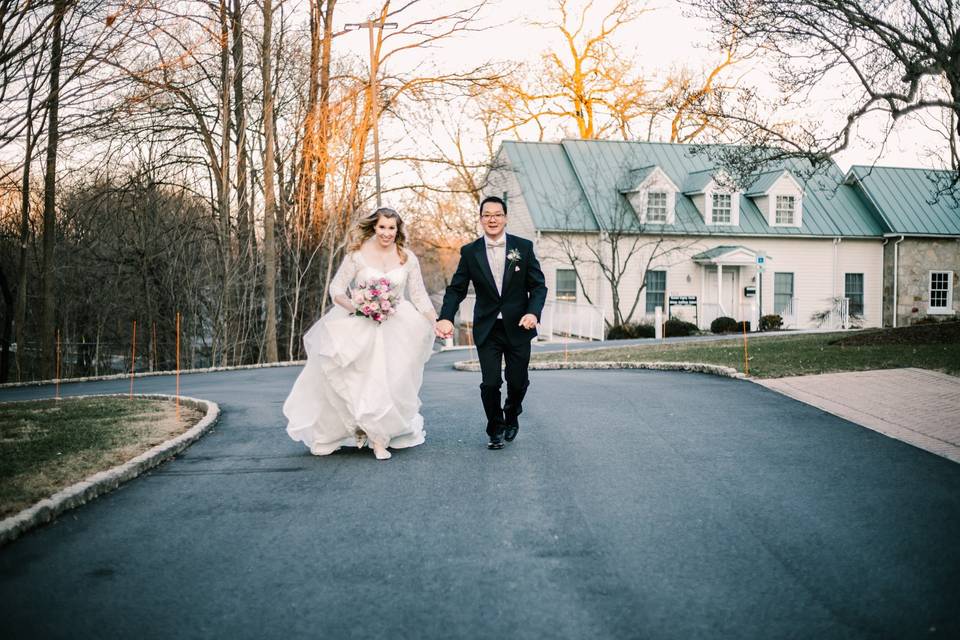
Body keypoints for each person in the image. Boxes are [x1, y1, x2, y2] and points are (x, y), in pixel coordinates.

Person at [283, 208, 437, 460]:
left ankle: (380, 434)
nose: (387, 233)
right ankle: (369, 434)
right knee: (362, 380)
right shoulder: (357, 255)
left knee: (391, 381)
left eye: (391, 228)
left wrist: (435, 320)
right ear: (373, 228)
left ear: (398, 230)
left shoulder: (407, 257)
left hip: (397, 326)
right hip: (361, 324)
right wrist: (360, 306)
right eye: (382, 227)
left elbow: (418, 294)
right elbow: (336, 289)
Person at [435, 195, 548, 450]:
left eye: (497, 214)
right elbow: (456, 289)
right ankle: (495, 428)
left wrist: (533, 313)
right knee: (490, 382)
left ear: (505, 218)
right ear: (481, 219)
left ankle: (512, 412)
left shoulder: (524, 248)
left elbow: (538, 286)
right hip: (488, 328)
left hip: (520, 326)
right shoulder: (470, 252)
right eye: (487, 215)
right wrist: (445, 316)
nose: (492, 219)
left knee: (517, 381)